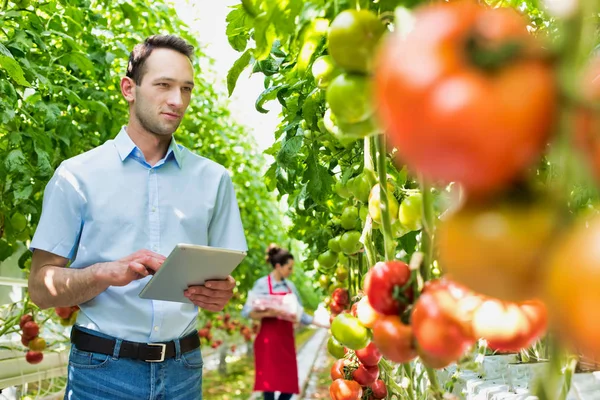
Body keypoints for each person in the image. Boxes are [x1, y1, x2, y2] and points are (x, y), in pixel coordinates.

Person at [27, 34, 247, 400]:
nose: (177, 101)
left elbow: (222, 283)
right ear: (129, 88)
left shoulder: (214, 180)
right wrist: (104, 273)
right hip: (102, 371)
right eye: (163, 85)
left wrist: (221, 292)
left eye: (186, 89)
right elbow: (39, 287)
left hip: (184, 369)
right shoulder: (76, 176)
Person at [242, 245, 327, 400]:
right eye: (289, 267)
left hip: (285, 342)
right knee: (268, 387)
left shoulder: (290, 287)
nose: (291, 271)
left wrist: (324, 324)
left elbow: (301, 314)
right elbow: (247, 312)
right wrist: (270, 312)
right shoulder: (261, 284)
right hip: (267, 341)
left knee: (288, 386)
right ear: (278, 266)